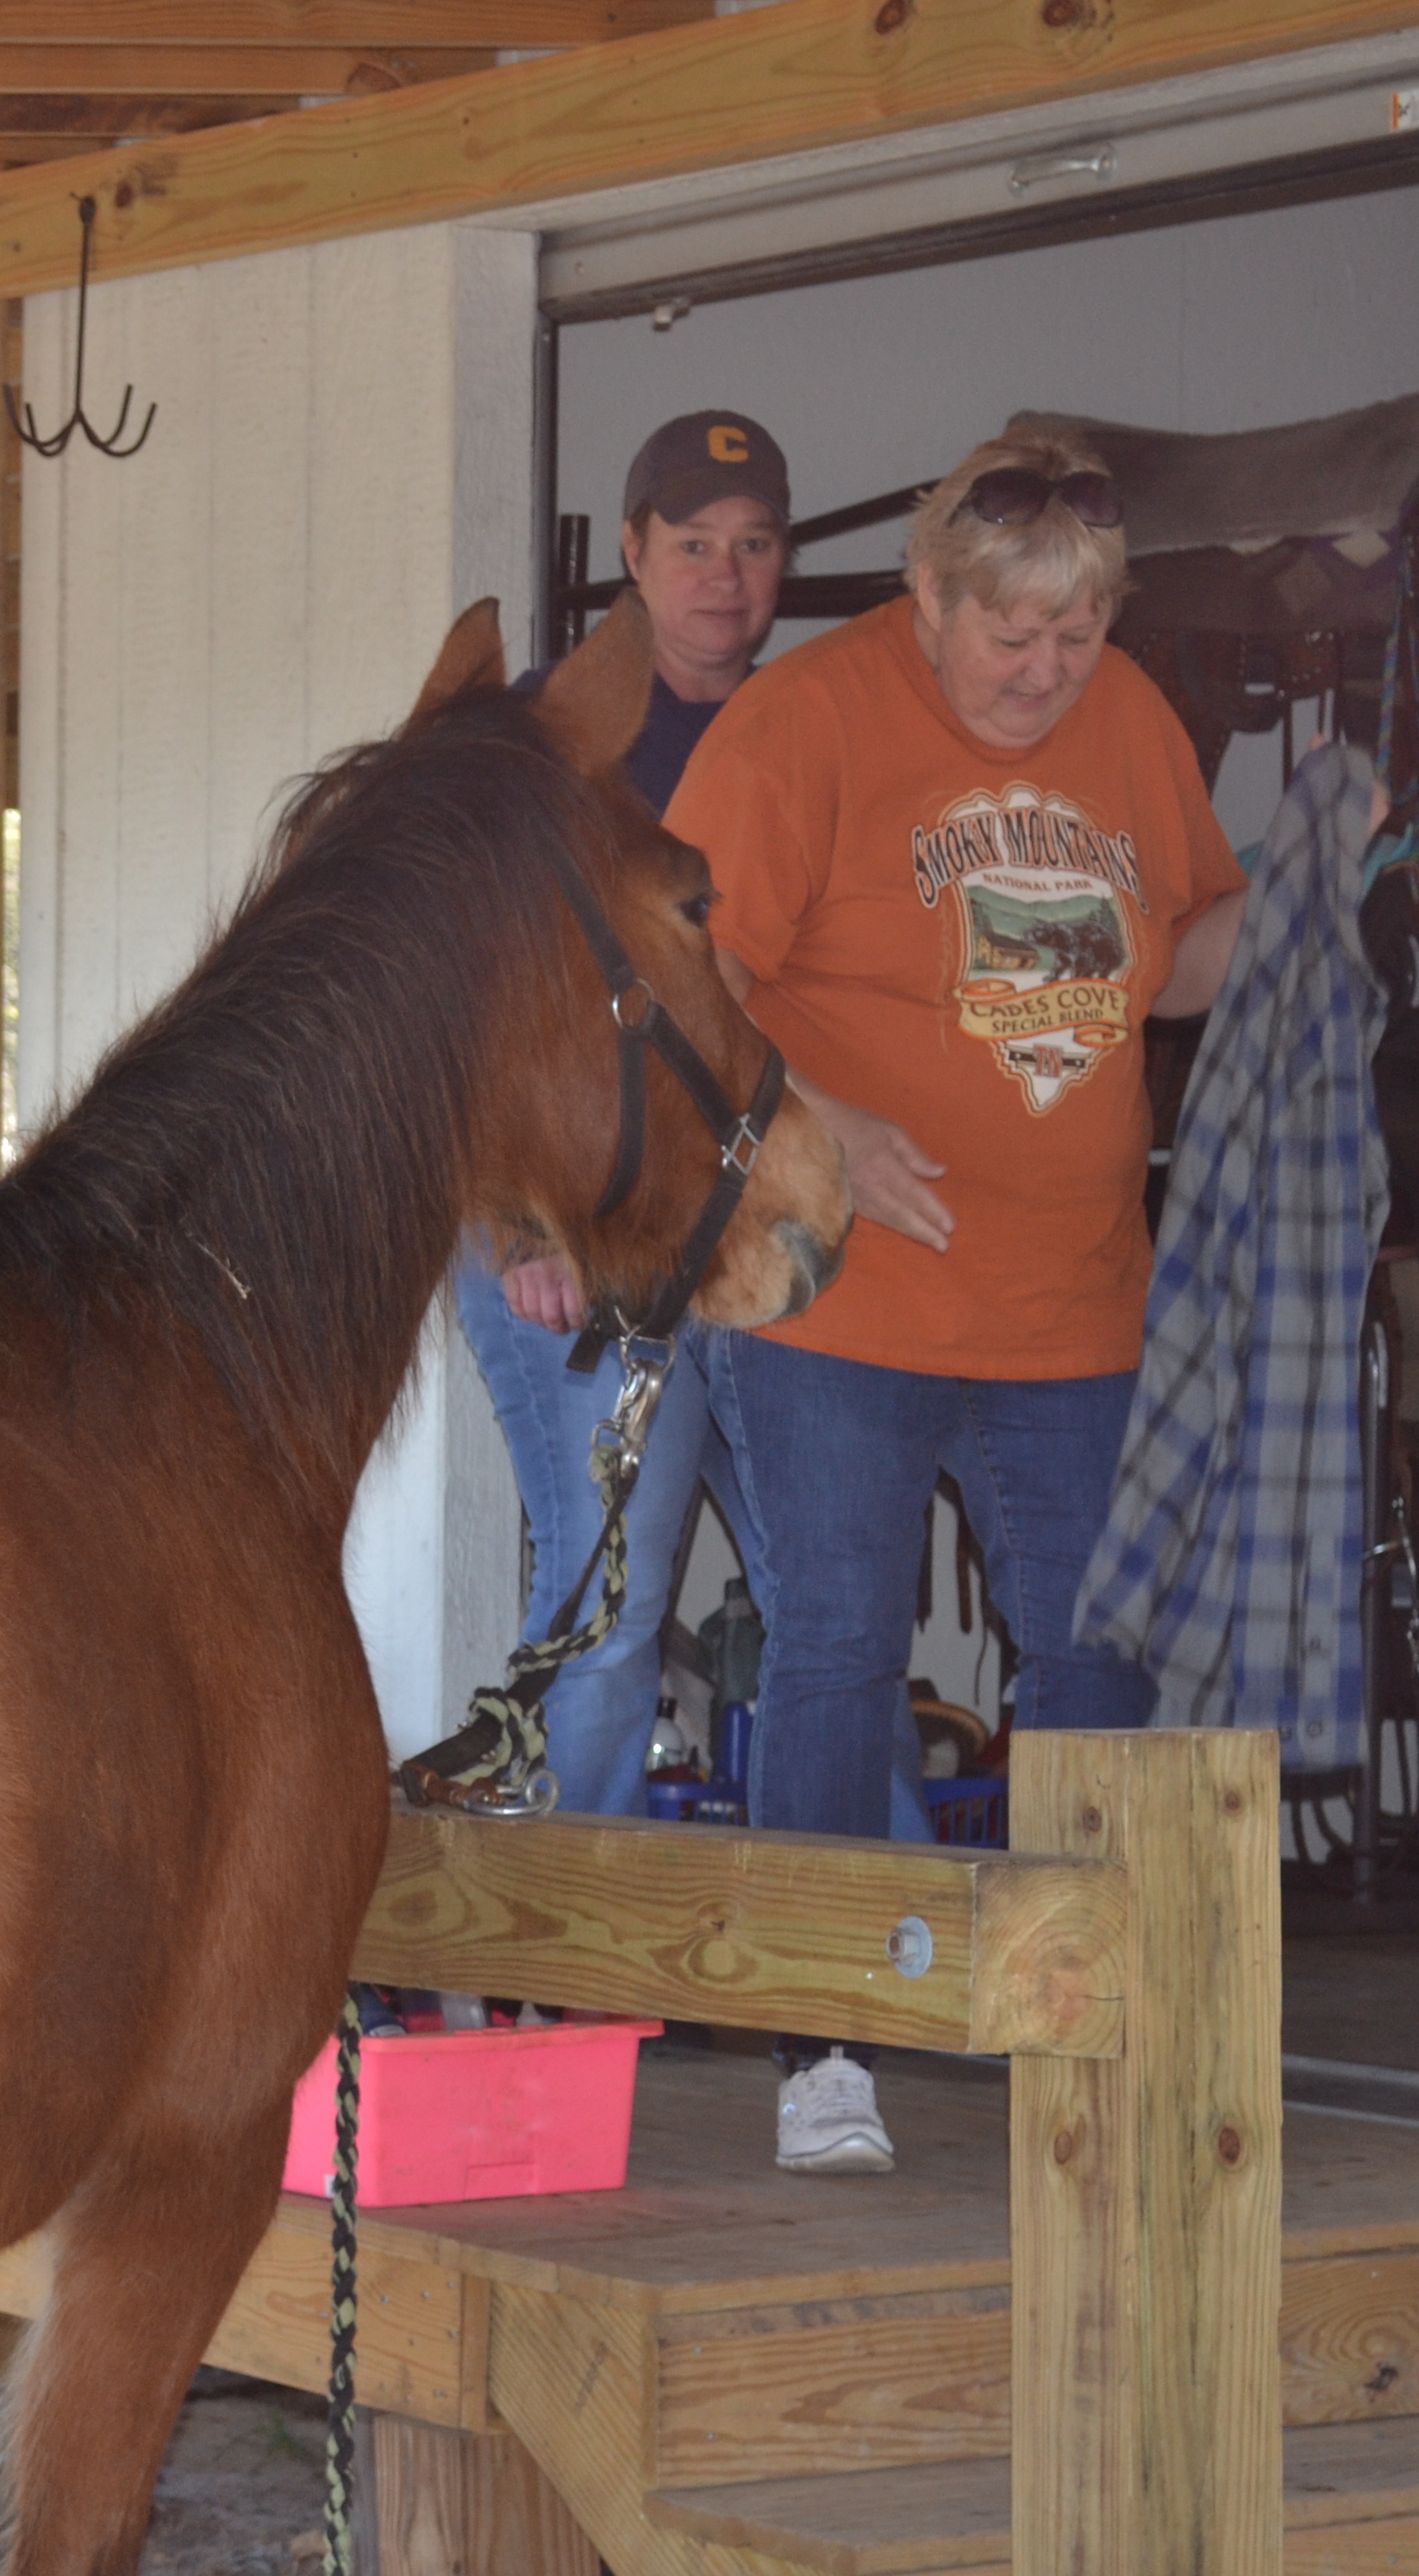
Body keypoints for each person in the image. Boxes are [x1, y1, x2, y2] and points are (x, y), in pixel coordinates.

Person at [666, 424, 1245, 2173]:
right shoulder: (803, 721)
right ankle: (822, 2044)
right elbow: (682, 968)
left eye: (1074, 634)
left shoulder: (1129, 716)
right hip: (838, 1298)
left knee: (1094, 1653)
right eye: (1009, 635)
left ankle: (1076, 2012)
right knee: (841, 1648)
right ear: (925, 591)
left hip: (1071, 1303)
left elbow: (1189, 938)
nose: (1043, 671)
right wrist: (819, 1120)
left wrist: (1308, 917)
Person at [453, 409, 795, 1816]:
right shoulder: (548, 743)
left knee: (816, 1594)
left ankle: (884, 1958)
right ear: (636, 557)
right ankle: (558, 1973)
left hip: (738, 1227)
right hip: (573, 1242)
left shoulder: (800, 728)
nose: (726, 576)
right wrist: (518, 1227)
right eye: (695, 545)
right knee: (612, 1590)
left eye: (756, 545)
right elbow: (468, 1008)